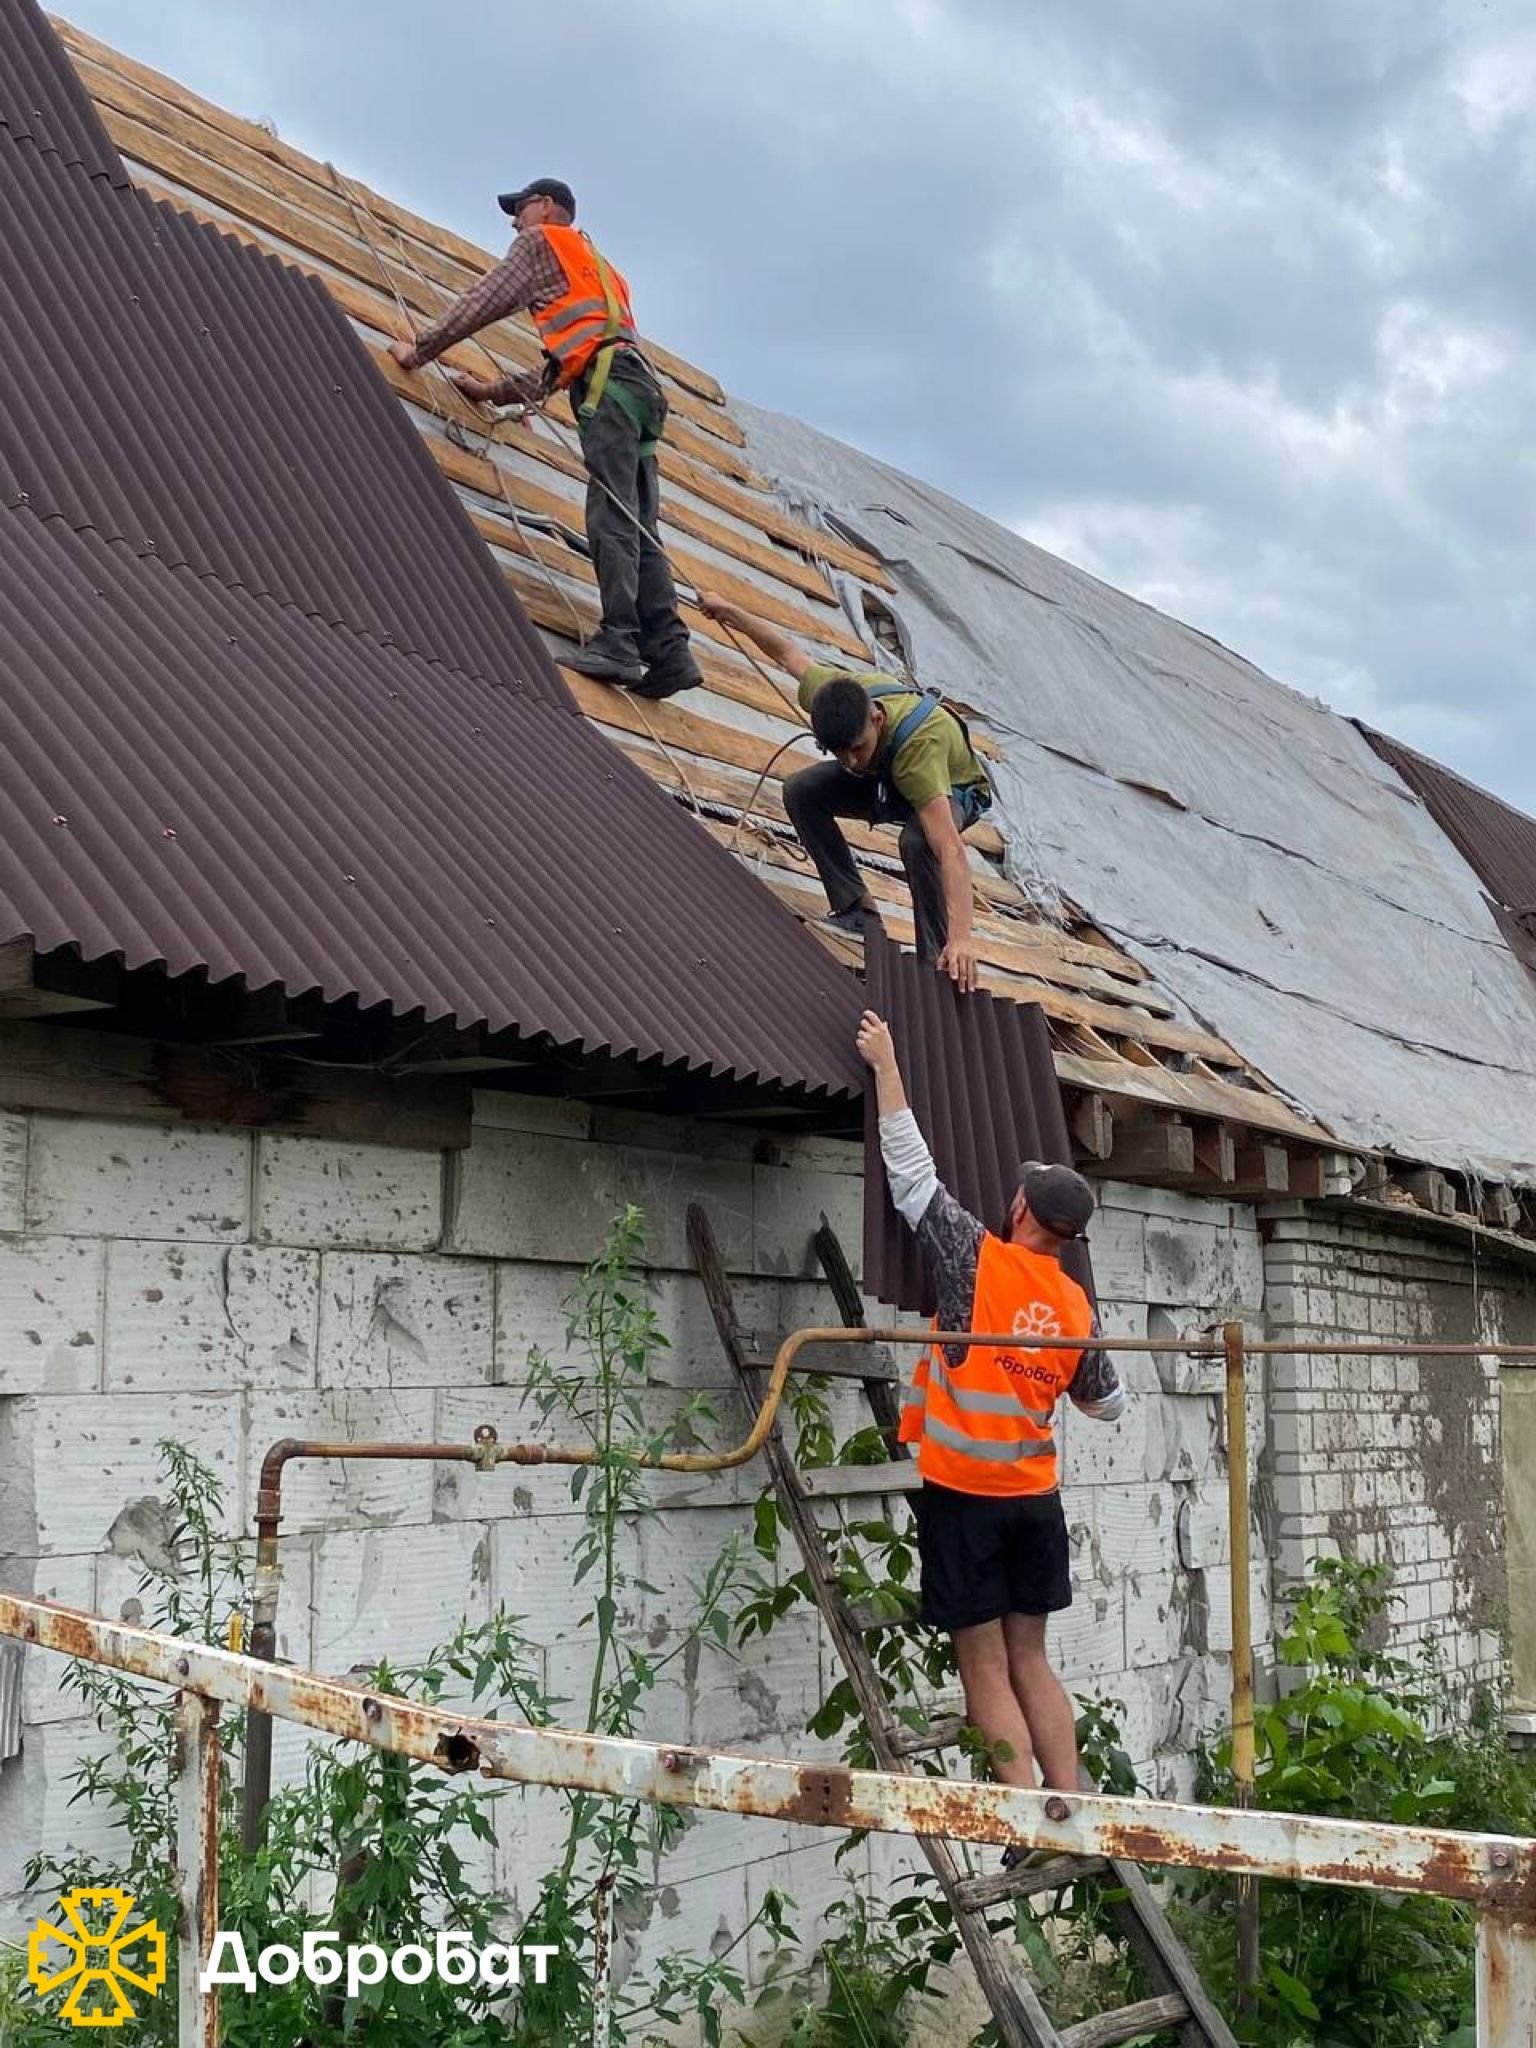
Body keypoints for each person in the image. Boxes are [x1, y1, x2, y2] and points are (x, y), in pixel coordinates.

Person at [856, 1009, 1125, 1838]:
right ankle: (1068, 1806)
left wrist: (887, 1064)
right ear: (1068, 1237)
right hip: (1033, 1500)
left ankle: (1018, 1825)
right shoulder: (1073, 1303)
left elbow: (912, 1176)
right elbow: (1107, 1402)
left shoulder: (978, 1259)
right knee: (1031, 1658)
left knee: (982, 1663)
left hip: (965, 1498)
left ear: (1018, 1206)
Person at [390, 178, 702, 700]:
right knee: (639, 522)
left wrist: (420, 350)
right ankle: (670, 651)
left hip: (609, 391)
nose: (514, 221)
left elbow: (483, 301)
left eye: (521, 208)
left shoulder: (540, 243)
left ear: (549, 206)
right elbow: (560, 368)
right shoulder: (600, 268)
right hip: (640, 389)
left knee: (612, 515)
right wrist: (490, 391)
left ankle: (619, 643)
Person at [694, 594, 990, 992]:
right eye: (840, 753)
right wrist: (729, 609)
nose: (850, 761)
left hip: (954, 788)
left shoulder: (919, 752)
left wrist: (962, 939)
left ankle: (936, 962)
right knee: (803, 790)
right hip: (887, 780)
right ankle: (856, 908)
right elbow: (785, 652)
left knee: (918, 841)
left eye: (858, 749)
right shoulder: (832, 697)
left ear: (877, 718)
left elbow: (950, 850)